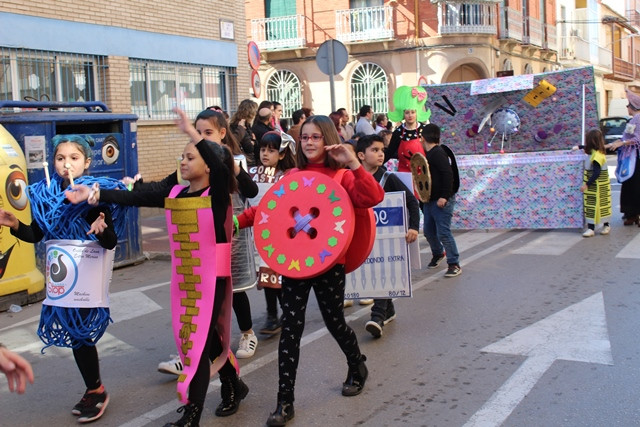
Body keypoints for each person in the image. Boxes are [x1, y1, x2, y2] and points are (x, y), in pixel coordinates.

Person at [67, 108, 249, 426]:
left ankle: (192, 414)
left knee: (200, 342)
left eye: (190, 157)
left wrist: (194, 134)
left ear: (208, 164)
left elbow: (220, 166)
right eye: (182, 156)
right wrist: (94, 194)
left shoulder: (218, 193)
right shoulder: (176, 192)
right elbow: (138, 196)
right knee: (208, 341)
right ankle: (234, 383)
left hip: (214, 279)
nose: (182, 162)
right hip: (185, 279)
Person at [236, 115, 384, 426]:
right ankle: (284, 402)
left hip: (331, 263)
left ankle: (357, 364)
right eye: (305, 138)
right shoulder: (292, 174)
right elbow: (268, 208)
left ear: (328, 139)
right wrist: (235, 222)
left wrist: (353, 164)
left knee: (334, 322)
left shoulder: (342, 177)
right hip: (295, 262)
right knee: (291, 327)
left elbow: (373, 197)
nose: (310, 142)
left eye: (316, 137)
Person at [0, 134, 124, 423]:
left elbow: (110, 241)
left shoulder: (95, 196)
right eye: (60, 158)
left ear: (87, 162)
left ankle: (96, 389)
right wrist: (15, 224)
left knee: (81, 333)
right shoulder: (47, 196)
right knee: (73, 333)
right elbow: (36, 234)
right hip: (62, 278)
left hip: (87, 274)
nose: (66, 164)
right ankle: (94, 388)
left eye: (73, 158)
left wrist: (101, 227)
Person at [355, 134, 420, 338]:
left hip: (387, 240)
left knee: (381, 271)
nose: (380, 154)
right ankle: (388, 309)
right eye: (374, 150)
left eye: (382, 150)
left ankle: (377, 316)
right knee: (371, 273)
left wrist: (414, 228)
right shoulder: (351, 178)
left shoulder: (389, 178)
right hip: (363, 239)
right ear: (360, 155)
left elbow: (412, 203)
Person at [252, 131, 297, 335]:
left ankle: (287, 314)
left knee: (281, 278)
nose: (265, 154)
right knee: (266, 276)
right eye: (263, 149)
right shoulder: (252, 174)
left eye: (271, 150)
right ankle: (272, 315)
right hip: (259, 235)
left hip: (282, 236)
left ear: (281, 154)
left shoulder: (288, 176)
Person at [421, 123, 462, 277]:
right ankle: (438, 253)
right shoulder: (430, 153)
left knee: (443, 232)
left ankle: (454, 263)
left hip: (441, 200)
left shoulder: (438, 153)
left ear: (422, 138)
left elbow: (447, 175)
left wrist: (444, 196)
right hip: (430, 199)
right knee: (429, 231)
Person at [605, 89, 640, 226]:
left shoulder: (637, 119)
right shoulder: (633, 120)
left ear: (633, 106)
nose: (626, 108)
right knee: (630, 185)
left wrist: (622, 143)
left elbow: (637, 139)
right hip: (631, 157)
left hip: (635, 158)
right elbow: (626, 137)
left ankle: (633, 214)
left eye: (628, 105)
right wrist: (611, 145)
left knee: (633, 185)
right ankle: (631, 214)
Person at [576, 129, 612, 237]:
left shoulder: (597, 156)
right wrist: (579, 147)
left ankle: (605, 225)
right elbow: (587, 149)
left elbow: (596, 173)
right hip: (596, 186)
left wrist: (586, 184)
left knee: (601, 206)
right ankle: (592, 227)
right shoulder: (596, 152)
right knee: (593, 206)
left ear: (591, 142)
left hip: (598, 186)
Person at [229, 99, 259, 166]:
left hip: (244, 160)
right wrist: (253, 141)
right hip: (245, 162)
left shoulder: (237, 124)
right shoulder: (241, 126)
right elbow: (249, 147)